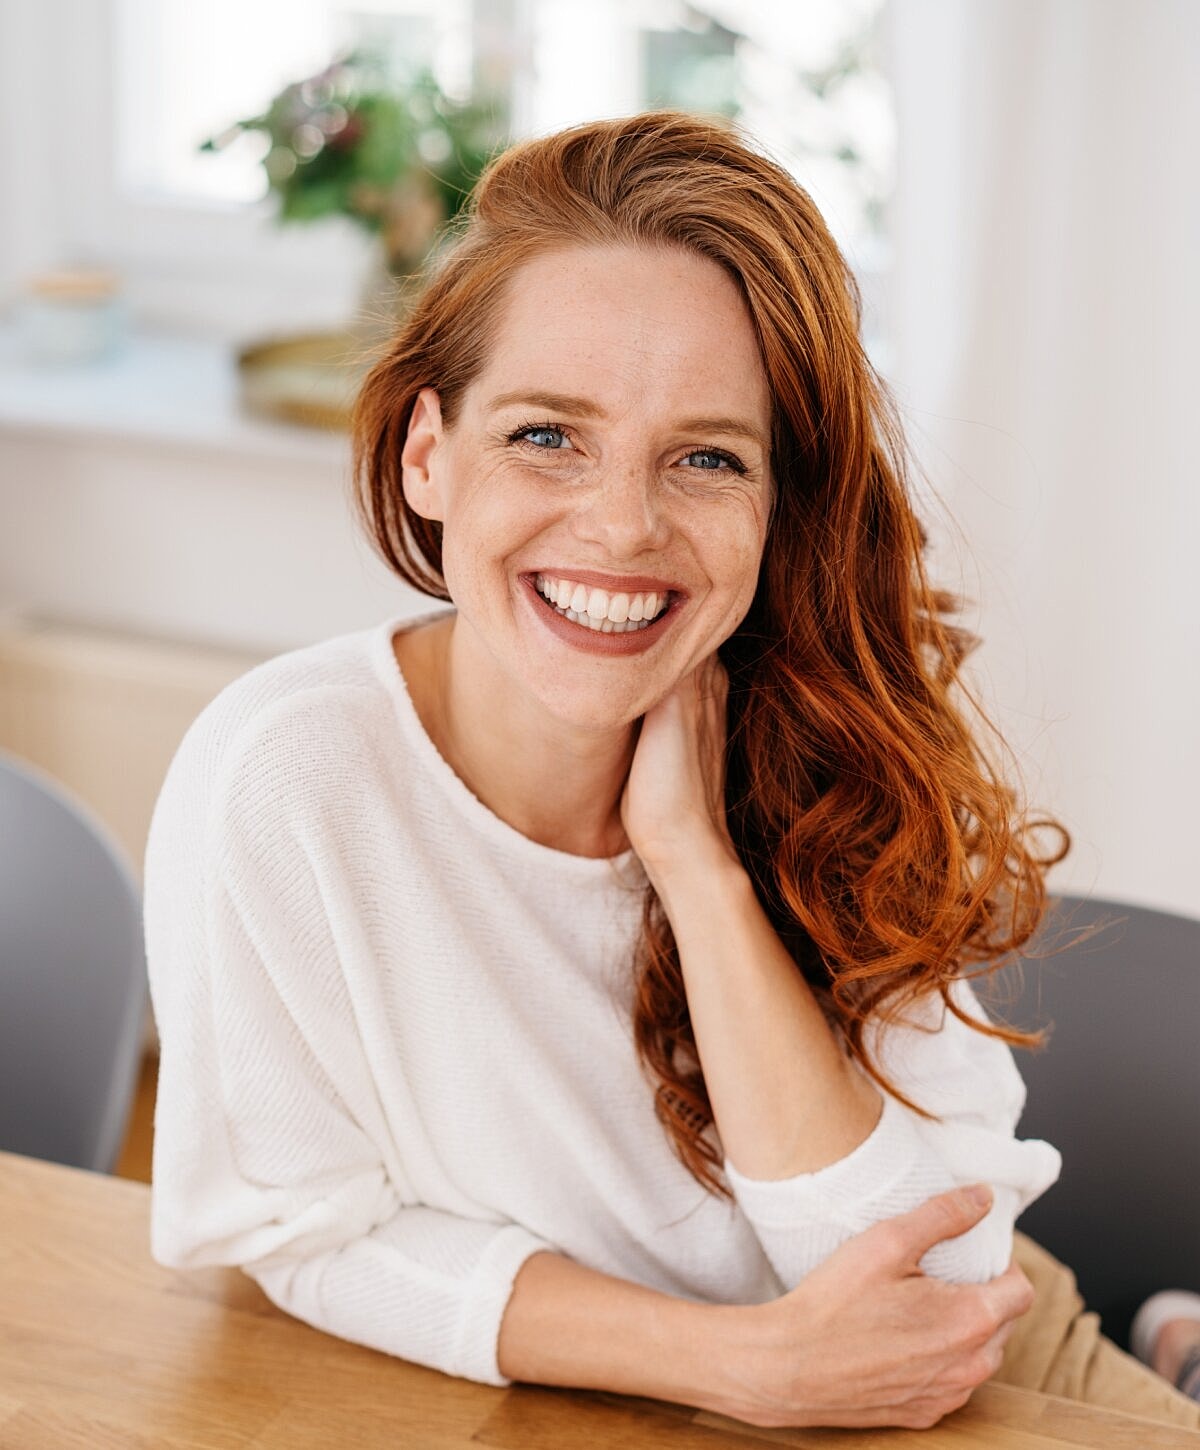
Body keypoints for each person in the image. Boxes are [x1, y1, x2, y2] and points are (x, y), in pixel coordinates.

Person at [142, 111, 1200, 1432]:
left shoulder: (832, 740)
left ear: (778, 506)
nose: (624, 523)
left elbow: (931, 1279)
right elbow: (294, 1224)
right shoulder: (283, 781)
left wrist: (699, 870)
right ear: (427, 452)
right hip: (644, 1402)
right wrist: (742, 1363)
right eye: (546, 434)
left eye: (707, 456)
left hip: (976, 1371)